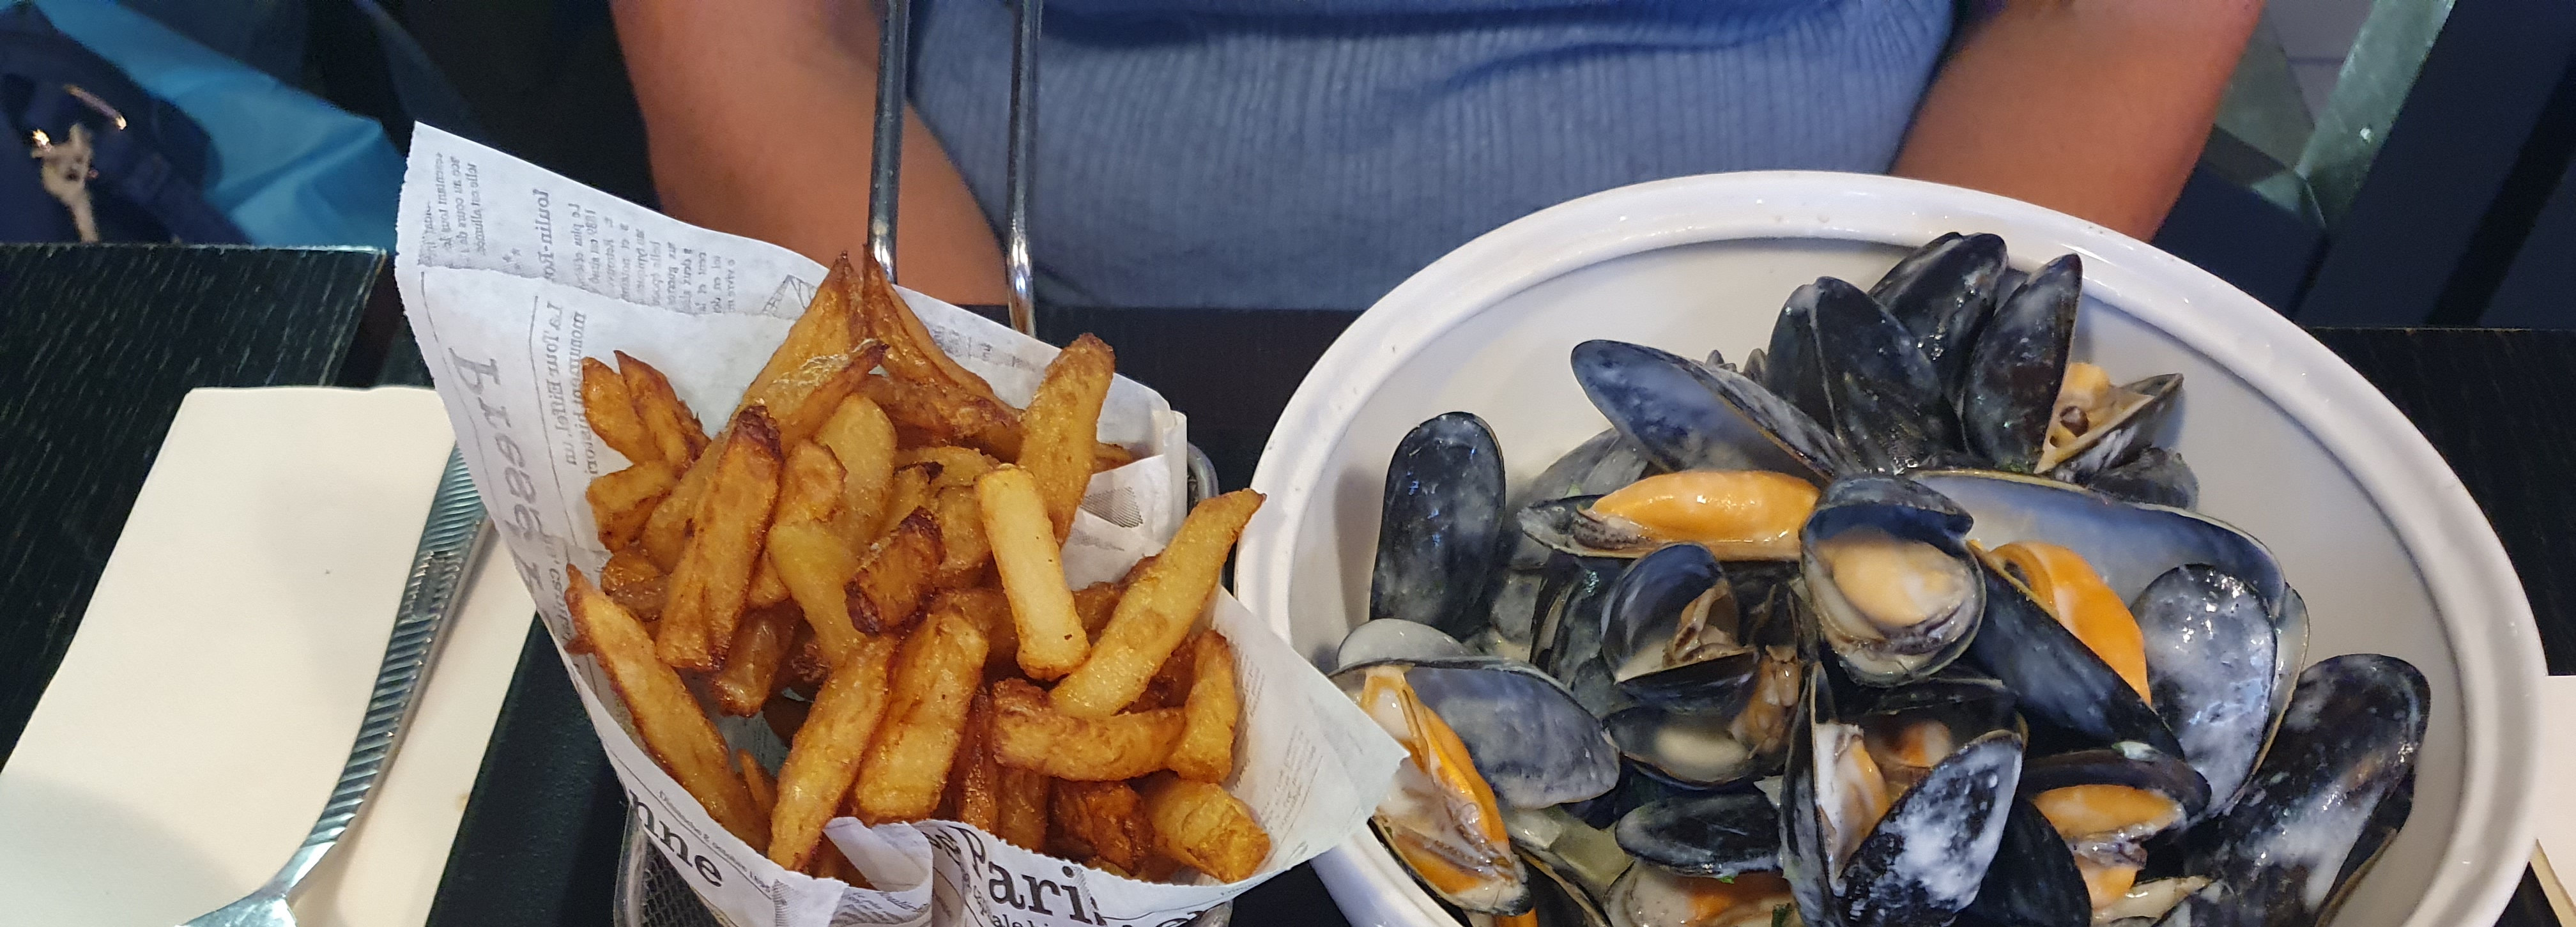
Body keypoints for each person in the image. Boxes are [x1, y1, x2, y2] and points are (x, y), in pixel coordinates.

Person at [613, 0, 2264, 309]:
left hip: (1818, 345)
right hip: (1033, 345)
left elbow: (2109, 20)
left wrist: (1890, 411)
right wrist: (979, 447)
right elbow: (764, 39)